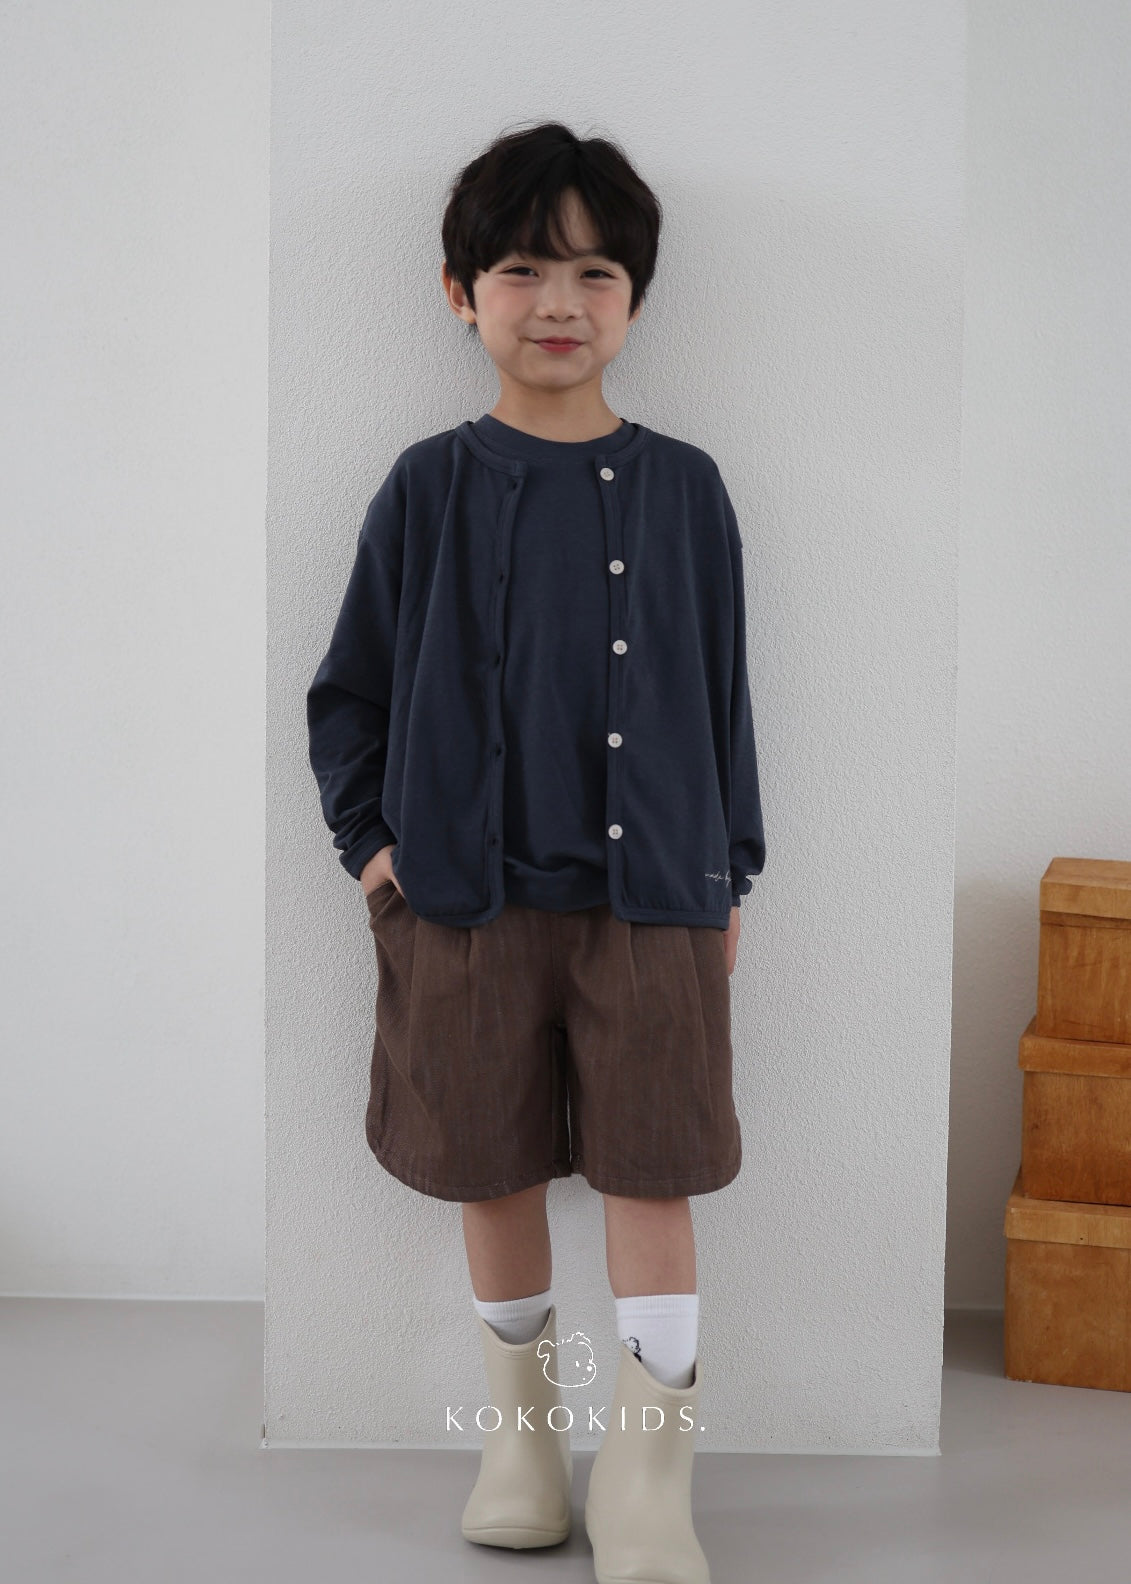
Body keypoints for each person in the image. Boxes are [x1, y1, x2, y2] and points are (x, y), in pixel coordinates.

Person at [306, 120, 766, 1584]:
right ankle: (519, 1442)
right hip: (462, 902)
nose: (558, 301)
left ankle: (648, 1478)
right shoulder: (425, 487)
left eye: (594, 272)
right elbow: (349, 695)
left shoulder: (686, 489)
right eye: (521, 268)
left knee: (654, 1170)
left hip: (655, 902)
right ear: (462, 293)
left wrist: (731, 866)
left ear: (635, 298)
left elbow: (723, 692)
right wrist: (376, 855)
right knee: (489, 1168)